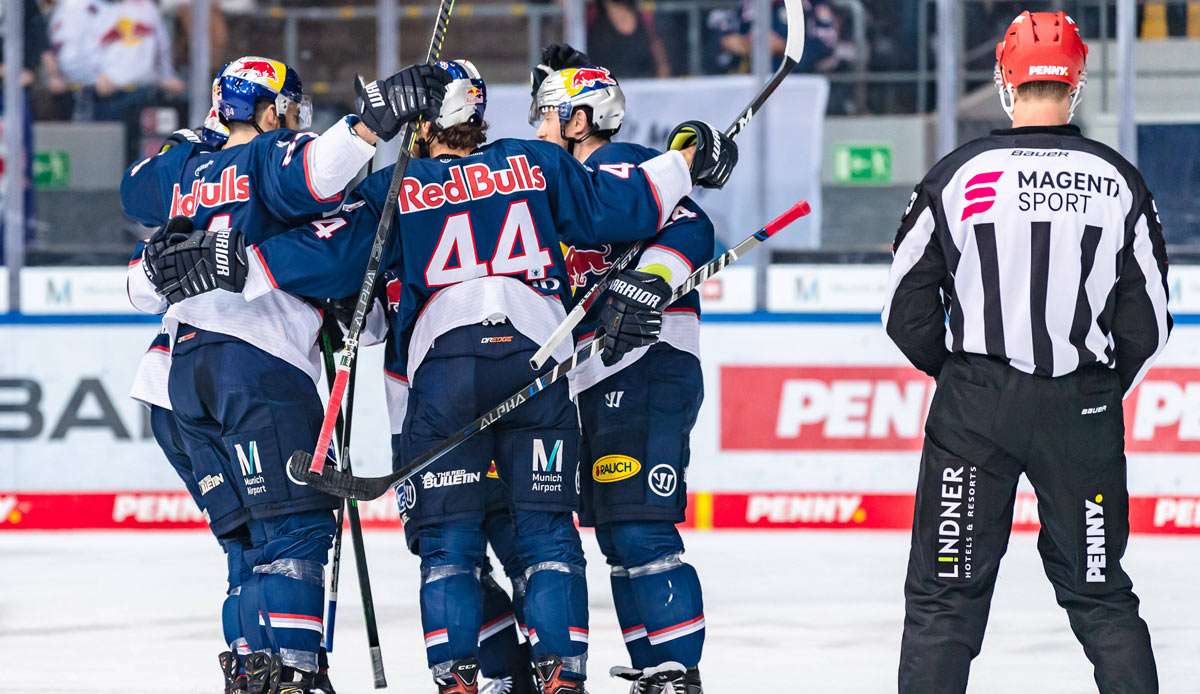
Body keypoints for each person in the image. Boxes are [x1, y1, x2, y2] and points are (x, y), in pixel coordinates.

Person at [144, 57, 736, 694]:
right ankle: (563, 677)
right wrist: (687, 162)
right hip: (534, 361)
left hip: (443, 369)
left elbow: (335, 259)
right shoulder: (534, 162)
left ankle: (456, 679)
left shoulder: (393, 186)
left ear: (419, 125)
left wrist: (241, 262)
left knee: (449, 541)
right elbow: (628, 205)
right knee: (543, 530)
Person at [122, 55, 450, 693]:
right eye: (292, 110)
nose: (297, 122)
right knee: (295, 527)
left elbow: (138, 276)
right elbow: (315, 177)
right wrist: (369, 125)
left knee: (246, 544)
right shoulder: (270, 159)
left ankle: (253, 670)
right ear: (272, 110)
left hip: (173, 380)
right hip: (256, 362)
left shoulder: (186, 174)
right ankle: (296, 673)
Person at [883, 12, 1168, 694]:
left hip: (975, 408)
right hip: (1082, 407)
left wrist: (959, 374)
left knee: (944, 602)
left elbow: (905, 309)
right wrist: (1096, 385)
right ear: (1077, 81)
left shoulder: (958, 174)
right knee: (1100, 595)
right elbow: (1148, 318)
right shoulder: (1119, 180)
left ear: (1004, 80)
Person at [529, 45, 712, 694]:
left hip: (649, 362)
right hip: (598, 375)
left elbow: (692, 225)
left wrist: (648, 284)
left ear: (580, 121)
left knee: (639, 523)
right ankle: (652, 667)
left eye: (547, 114)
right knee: (615, 525)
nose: (538, 127)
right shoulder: (556, 185)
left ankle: (673, 670)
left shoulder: (623, 163)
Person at [586, 0, 671, 78]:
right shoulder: (590, 13)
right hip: (605, 89)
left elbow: (661, 63)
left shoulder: (644, 14)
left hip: (644, 86)